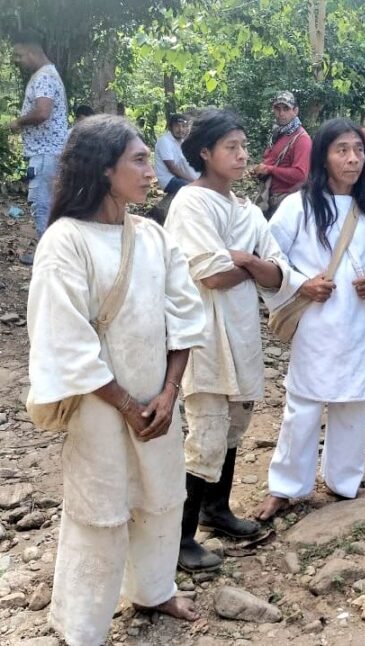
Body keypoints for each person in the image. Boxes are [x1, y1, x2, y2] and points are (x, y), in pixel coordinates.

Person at [26, 115, 206, 645]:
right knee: (100, 511)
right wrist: (128, 404)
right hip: (100, 408)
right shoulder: (65, 242)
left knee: (161, 496)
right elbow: (65, 341)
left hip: (157, 400)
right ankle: (83, 627)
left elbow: (184, 316)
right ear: (105, 169)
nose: (152, 171)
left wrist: (169, 393)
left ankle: (154, 589)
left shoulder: (152, 236)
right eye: (139, 160)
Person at [255, 117, 365, 520]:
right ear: (323, 156)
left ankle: (344, 482)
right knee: (302, 405)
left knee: (352, 404)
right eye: (342, 150)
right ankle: (285, 487)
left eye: (358, 150)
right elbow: (272, 256)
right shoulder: (297, 207)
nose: (353, 159)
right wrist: (302, 284)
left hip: (354, 322)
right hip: (315, 324)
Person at [165, 109, 293, 572]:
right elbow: (212, 274)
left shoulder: (249, 211)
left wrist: (249, 262)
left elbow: (279, 274)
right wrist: (251, 263)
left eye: (244, 147)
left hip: (241, 330)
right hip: (201, 332)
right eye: (231, 148)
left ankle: (216, 510)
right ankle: (179, 537)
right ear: (205, 153)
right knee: (206, 428)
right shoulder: (190, 203)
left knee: (236, 421)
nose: (241, 156)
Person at [10, 30, 68, 264]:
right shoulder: (49, 74)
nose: (18, 61)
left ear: (32, 51)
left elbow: (43, 111)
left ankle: (47, 256)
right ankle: (56, 252)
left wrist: (17, 122)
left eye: (19, 55)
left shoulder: (43, 77)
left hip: (45, 153)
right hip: (50, 152)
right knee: (52, 203)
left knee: (42, 203)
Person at [251, 91, 312, 217]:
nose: (281, 113)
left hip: (286, 203)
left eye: (286, 109)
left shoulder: (301, 139)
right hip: (270, 198)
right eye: (277, 109)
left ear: (295, 111)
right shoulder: (278, 133)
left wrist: (270, 169)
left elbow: (300, 175)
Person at [155, 114, 199, 195]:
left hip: (178, 178)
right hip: (169, 180)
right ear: (170, 127)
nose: (180, 129)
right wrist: (194, 181)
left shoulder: (181, 141)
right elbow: (173, 168)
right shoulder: (165, 141)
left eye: (184, 126)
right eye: (177, 126)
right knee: (197, 191)